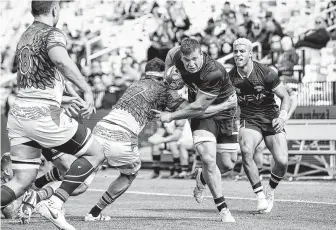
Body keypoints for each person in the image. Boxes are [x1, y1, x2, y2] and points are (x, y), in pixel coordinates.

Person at [84, 58, 233, 221]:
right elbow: (196, 111)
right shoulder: (164, 91)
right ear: (164, 74)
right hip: (122, 135)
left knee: (80, 178)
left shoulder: (135, 83)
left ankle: (55, 197)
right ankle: (94, 212)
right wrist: (223, 106)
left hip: (100, 127)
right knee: (130, 172)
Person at [1, 2, 105, 230]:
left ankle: (40, 198)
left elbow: (36, 76)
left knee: (21, 181)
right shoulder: (51, 33)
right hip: (42, 114)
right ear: (55, 10)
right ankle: (54, 203)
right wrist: (86, 89)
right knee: (96, 153)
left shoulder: (25, 36)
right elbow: (60, 60)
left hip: (19, 112)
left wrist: (66, 96)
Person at [155, 38, 238, 222]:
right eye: (187, 60)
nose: (191, 64)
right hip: (202, 116)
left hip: (225, 112)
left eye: (195, 59)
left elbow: (198, 107)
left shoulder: (213, 72)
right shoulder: (177, 55)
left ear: (201, 54)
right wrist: (168, 74)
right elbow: (170, 55)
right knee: (208, 159)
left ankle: (201, 178)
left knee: (227, 164)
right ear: (182, 58)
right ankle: (223, 209)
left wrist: (170, 116)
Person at [229, 38, 290, 213]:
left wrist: (282, 117)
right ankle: (260, 197)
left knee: (282, 162)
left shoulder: (266, 73)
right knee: (246, 150)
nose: (238, 54)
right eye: (235, 51)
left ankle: (270, 189)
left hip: (271, 118)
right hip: (250, 119)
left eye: (242, 51)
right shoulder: (230, 77)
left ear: (250, 53)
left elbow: (286, 97)